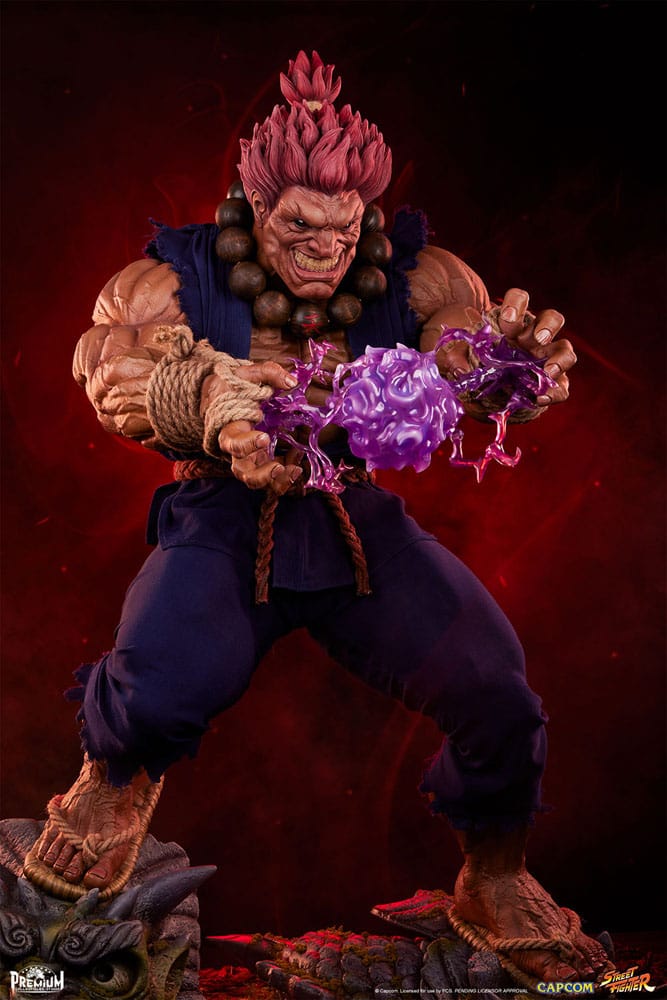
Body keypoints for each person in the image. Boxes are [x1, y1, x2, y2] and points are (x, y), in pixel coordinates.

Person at [23, 51, 607, 984]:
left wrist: (507, 371)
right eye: (301, 224)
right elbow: (110, 368)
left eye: (346, 226)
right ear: (257, 207)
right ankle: (110, 787)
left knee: (495, 688)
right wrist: (209, 400)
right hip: (222, 514)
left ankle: (494, 874)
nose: (326, 246)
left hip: (350, 520)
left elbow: (459, 345)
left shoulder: (416, 277)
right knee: (157, 688)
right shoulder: (168, 280)